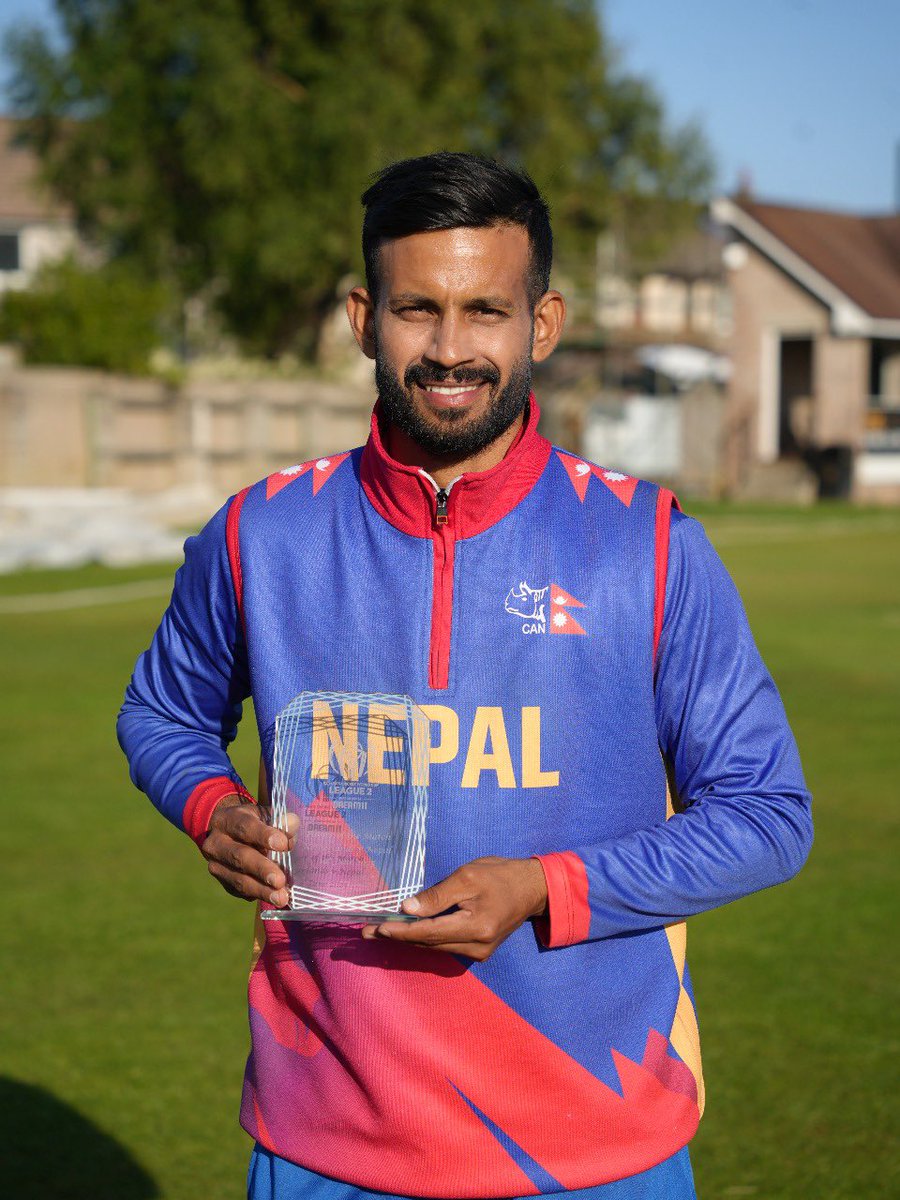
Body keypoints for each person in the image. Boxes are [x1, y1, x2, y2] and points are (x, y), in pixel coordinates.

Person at [118, 152, 812, 1200]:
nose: (450, 350)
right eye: (416, 310)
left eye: (486, 310)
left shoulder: (649, 546)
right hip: (327, 1147)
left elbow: (768, 815)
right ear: (362, 318)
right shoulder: (265, 534)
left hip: (596, 1147)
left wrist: (544, 888)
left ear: (542, 323)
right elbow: (162, 713)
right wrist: (211, 806)